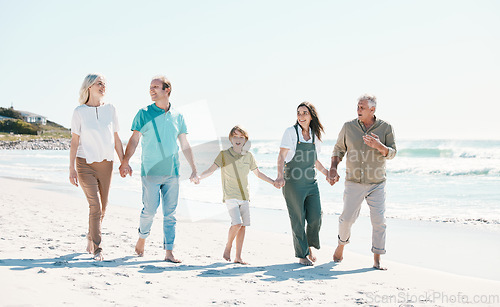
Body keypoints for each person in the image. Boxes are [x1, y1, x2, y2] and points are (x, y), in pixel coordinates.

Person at [119, 75, 198, 263]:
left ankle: (169, 251)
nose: (151, 90)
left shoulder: (178, 116)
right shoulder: (143, 113)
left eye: (156, 87)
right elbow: (134, 140)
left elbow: (185, 144)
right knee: (149, 210)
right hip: (151, 172)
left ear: (167, 90)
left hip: (173, 172)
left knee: (170, 214)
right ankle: (142, 238)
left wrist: (194, 169)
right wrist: (125, 161)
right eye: (150, 87)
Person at [327, 94, 396, 270]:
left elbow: (393, 152)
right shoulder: (348, 127)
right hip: (354, 182)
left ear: (372, 110)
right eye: (358, 107)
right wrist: (333, 167)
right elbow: (338, 149)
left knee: (379, 221)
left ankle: (377, 259)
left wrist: (379, 146)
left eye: (362, 107)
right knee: (346, 219)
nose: (358, 110)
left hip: (377, 183)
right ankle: (341, 245)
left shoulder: (386, 128)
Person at [197, 125, 276, 264]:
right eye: (235, 136)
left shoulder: (249, 156)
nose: (238, 139)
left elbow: (258, 173)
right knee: (237, 223)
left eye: (241, 137)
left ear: (245, 140)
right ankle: (228, 246)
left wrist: (273, 182)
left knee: (243, 226)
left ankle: (238, 257)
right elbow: (211, 169)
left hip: (244, 196)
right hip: (230, 195)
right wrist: (199, 177)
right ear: (230, 139)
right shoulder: (224, 155)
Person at [69, 73, 125, 261]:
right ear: (89, 87)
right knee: (95, 205)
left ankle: (90, 236)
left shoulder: (110, 109)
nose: (103, 87)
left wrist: (124, 162)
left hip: (106, 164)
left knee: (103, 207)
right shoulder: (79, 112)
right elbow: (75, 142)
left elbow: (116, 138)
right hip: (85, 163)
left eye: (104, 84)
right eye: (99, 83)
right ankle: (98, 247)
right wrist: (71, 168)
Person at [275, 102, 329, 266]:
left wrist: (327, 174)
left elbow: (314, 160)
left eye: (304, 113)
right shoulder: (290, 132)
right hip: (293, 183)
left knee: (316, 217)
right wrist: (279, 176)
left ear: (311, 115)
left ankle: (307, 247)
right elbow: (281, 157)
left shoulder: (315, 135)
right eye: (298, 113)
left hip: (311, 182)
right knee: (298, 219)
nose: (301, 116)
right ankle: (302, 254)